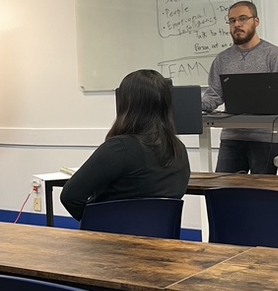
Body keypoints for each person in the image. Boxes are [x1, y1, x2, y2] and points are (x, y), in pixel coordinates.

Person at [60, 69, 189, 222]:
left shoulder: (120, 148)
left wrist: (95, 222)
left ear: (125, 104)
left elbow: (70, 197)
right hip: (161, 236)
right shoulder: (179, 149)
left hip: (110, 235)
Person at [201, 0, 278, 174]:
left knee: (261, 190)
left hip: (266, 138)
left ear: (256, 21)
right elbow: (214, 95)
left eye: (242, 19)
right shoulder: (222, 59)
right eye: (232, 21)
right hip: (232, 137)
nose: (237, 24)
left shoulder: (274, 55)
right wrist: (194, 104)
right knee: (223, 187)